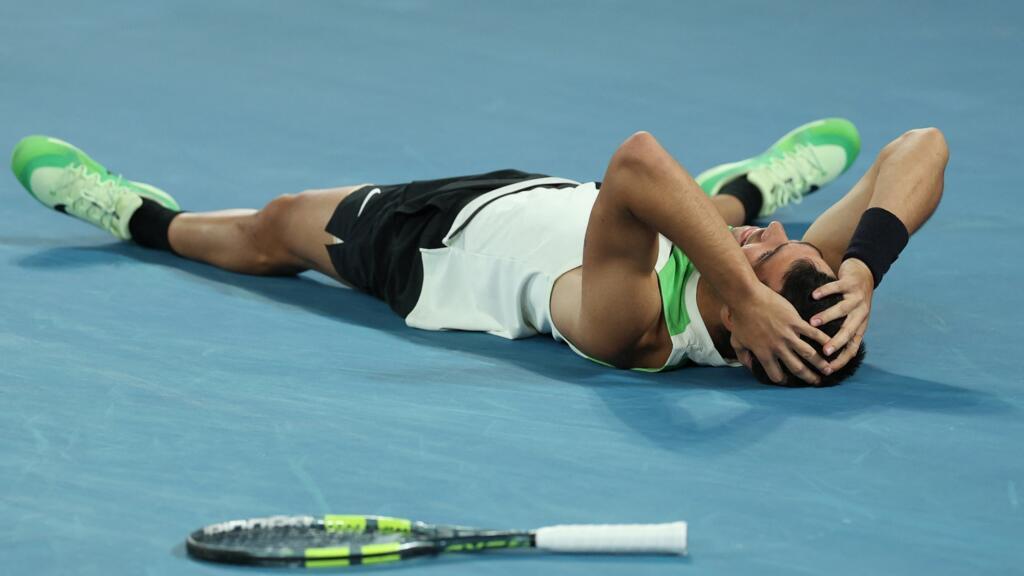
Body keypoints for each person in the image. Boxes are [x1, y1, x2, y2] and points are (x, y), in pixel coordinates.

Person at [10, 118, 948, 386]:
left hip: (430, 242)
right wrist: (862, 268)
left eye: (771, 258)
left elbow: (635, 163)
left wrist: (736, 279)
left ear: (748, 329)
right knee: (705, 217)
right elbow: (920, 146)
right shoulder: (757, 288)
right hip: (560, 198)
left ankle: (136, 216)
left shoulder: (631, 328)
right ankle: (747, 183)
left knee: (278, 224)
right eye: (778, 240)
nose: (775, 245)